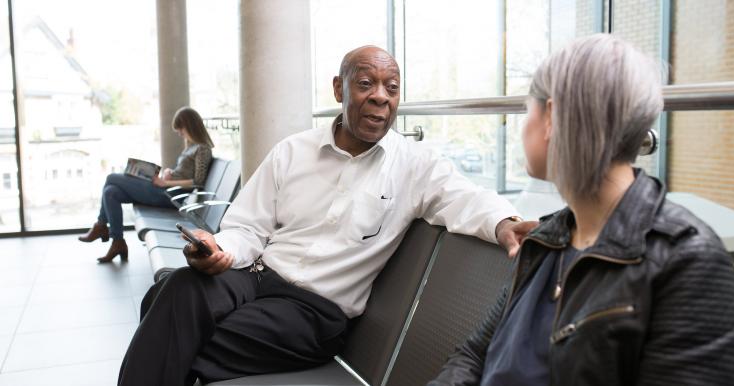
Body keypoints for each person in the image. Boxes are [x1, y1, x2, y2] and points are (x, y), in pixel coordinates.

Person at [116, 46, 537, 386]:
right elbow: (246, 228)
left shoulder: (415, 166)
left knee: (167, 321)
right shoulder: (292, 152)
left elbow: (465, 198)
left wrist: (504, 224)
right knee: (181, 289)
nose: (381, 97)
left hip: (313, 312)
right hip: (254, 274)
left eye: (392, 88)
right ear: (339, 89)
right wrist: (218, 250)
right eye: (367, 83)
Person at [429, 34, 734, 386]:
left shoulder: (690, 265)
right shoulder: (546, 241)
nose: (522, 125)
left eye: (526, 109)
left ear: (550, 116)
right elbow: (475, 355)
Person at [78, 106, 214, 263]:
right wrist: (170, 174)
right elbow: (186, 174)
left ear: (190, 125)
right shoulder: (191, 147)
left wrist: (165, 182)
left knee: (111, 178)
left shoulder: (202, 149)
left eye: (180, 128)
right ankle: (117, 242)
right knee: (110, 192)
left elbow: (198, 182)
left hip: (170, 196)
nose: (179, 133)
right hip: (166, 189)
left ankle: (101, 225)